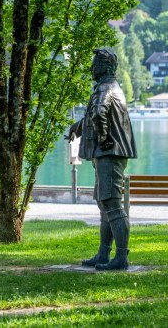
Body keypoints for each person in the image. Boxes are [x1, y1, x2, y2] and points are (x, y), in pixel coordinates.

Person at [67, 49, 137, 270]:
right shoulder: (110, 88)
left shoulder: (105, 89)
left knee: (112, 205)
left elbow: (99, 114)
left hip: (109, 153)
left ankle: (121, 258)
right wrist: (78, 127)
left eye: (94, 63)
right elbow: (94, 115)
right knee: (104, 204)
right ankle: (104, 254)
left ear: (104, 66)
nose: (91, 68)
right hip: (108, 154)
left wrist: (104, 140)